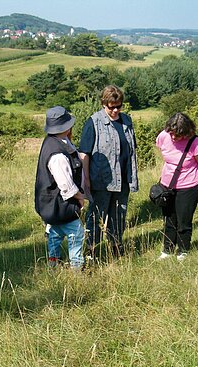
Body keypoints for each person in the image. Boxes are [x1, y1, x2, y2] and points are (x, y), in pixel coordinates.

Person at [78, 85, 138, 258]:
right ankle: (91, 251)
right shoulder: (94, 122)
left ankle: (116, 247)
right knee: (96, 217)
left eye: (119, 106)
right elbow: (85, 153)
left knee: (119, 216)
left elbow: (131, 149)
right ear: (104, 104)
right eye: (112, 107)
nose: (116, 110)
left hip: (124, 179)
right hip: (101, 181)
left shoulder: (127, 120)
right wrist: (87, 179)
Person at [35, 106, 86, 269]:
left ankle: (53, 266)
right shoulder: (57, 153)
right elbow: (66, 185)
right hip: (62, 205)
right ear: (66, 126)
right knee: (76, 236)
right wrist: (80, 198)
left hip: (51, 205)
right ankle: (76, 270)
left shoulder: (52, 141)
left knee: (55, 236)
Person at [156, 113, 198, 261]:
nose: (173, 138)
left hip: (188, 186)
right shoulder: (163, 136)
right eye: (171, 133)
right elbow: (162, 152)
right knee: (169, 219)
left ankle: (183, 250)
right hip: (167, 185)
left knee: (183, 220)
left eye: (178, 135)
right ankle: (167, 250)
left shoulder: (196, 143)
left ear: (186, 132)